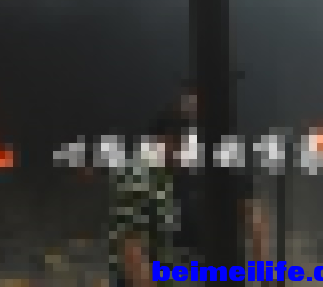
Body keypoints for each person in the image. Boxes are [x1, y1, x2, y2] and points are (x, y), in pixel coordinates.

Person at [109, 93, 271, 287]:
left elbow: (254, 217)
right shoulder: (138, 179)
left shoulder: (219, 167)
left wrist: (265, 274)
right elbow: (132, 252)